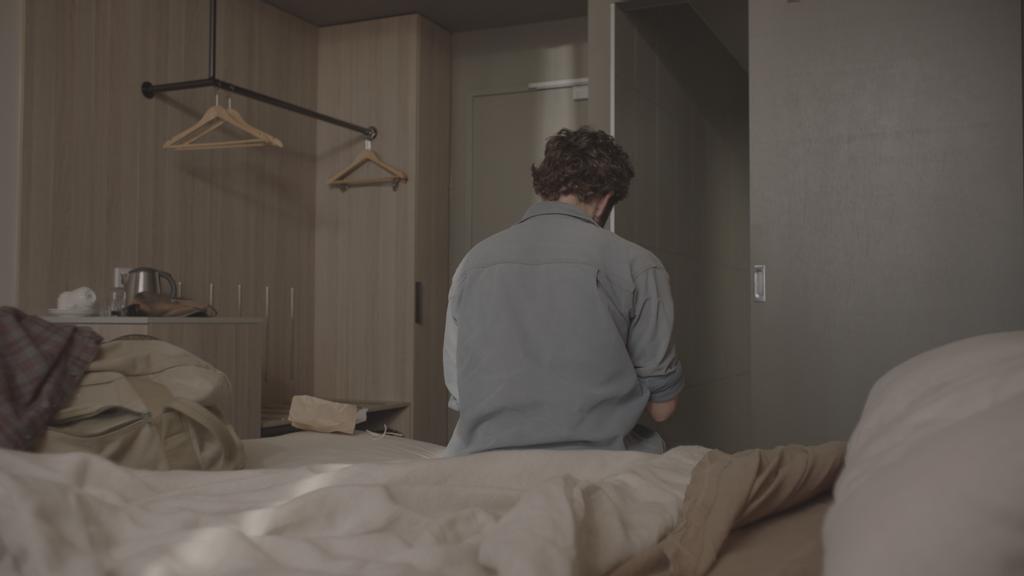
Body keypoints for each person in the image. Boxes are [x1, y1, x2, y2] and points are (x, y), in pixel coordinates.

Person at [443, 127, 682, 456]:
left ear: (545, 186)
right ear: (605, 200)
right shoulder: (639, 264)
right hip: (595, 461)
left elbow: (460, 392)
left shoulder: (472, 262)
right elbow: (662, 408)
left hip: (484, 461)